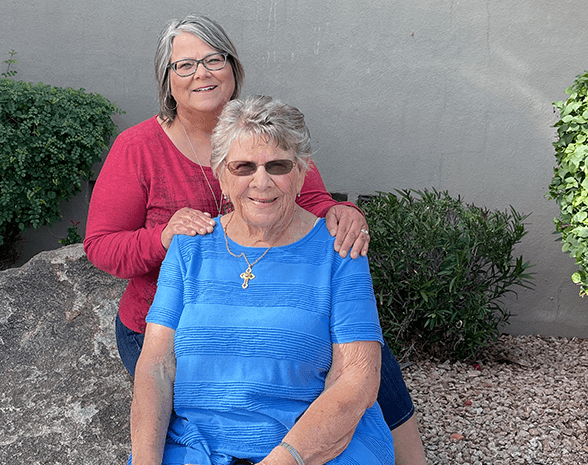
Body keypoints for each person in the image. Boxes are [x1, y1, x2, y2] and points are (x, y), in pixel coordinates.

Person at [84, 14, 426, 464]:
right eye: (184, 65)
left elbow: (315, 200)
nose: (201, 73)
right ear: (166, 80)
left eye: (213, 59)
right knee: (200, 411)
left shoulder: (267, 129)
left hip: (289, 297)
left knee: (367, 374)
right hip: (173, 320)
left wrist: (345, 215)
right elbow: (101, 245)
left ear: (233, 67)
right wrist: (163, 239)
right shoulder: (139, 149)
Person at [131, 95, 394, 464]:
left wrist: (283, 459)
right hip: (198, 447)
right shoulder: (190, 249)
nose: (261, 181)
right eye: (243, 167)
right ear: (221, 174)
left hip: (309, 447)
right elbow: (156, 367)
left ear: (302, 172)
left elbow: (357, 379)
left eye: (278, 165)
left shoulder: (339, 250)